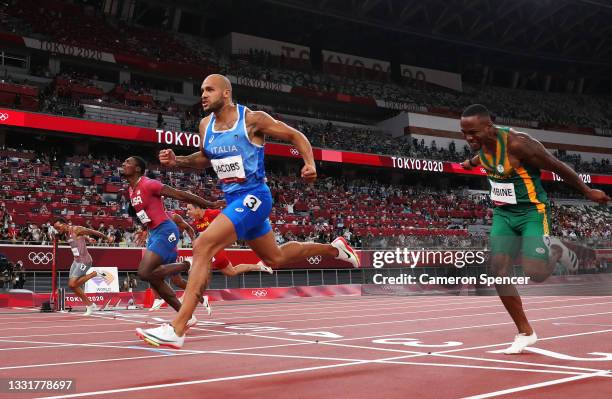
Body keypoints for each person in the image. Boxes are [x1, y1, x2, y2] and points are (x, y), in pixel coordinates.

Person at [137, 74, 360, 348]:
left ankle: (178, 328)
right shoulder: (206, 125)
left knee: (203, 245)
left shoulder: (252, 119)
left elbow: (294, 135)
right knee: (275, 258)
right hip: (233, 201)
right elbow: (206, 157)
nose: (203, 95)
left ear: (226, 94)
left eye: (209, 90)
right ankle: (335, 249)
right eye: (201, 90)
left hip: (255, 195)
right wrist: (178, 160)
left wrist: (309, 163)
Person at [460, 104, 610, 354]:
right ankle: (525, 332)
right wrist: (469, 163)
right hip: (503, 214)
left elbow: (557, 166)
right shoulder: (480, 145)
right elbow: (481, 157)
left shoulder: (520, 144)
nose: (468, 138)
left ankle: (557, 251)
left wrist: (587, 190)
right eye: (463, 132)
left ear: (489, 126)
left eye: (472, 132)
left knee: (535, 273)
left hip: (531, 212)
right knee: (498, 270)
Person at [121, 156, 219, 329]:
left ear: (137, 169)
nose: (123, 164)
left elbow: (180, 194)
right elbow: (146, 214)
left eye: (128, 162)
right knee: (155, 279)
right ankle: (186, 316)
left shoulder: (148, 184)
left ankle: (186, 265)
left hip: (165, 230)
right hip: (154, 233)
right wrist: (144, 231)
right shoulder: (131, 190)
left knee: (144, 272)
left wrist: (209, 203)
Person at [53, 217, 112, 316]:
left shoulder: (76, 229)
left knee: (72, 284)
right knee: (73, 286)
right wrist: (88, 239)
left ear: (64, 224)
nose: (58, 230)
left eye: (59, 227)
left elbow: (92, 231)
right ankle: (90, 305)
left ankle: (94, 274)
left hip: (84, 261)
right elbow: (81, 237)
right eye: (56, 229)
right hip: (76, 261)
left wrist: (107, 238)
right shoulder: (66, 234)